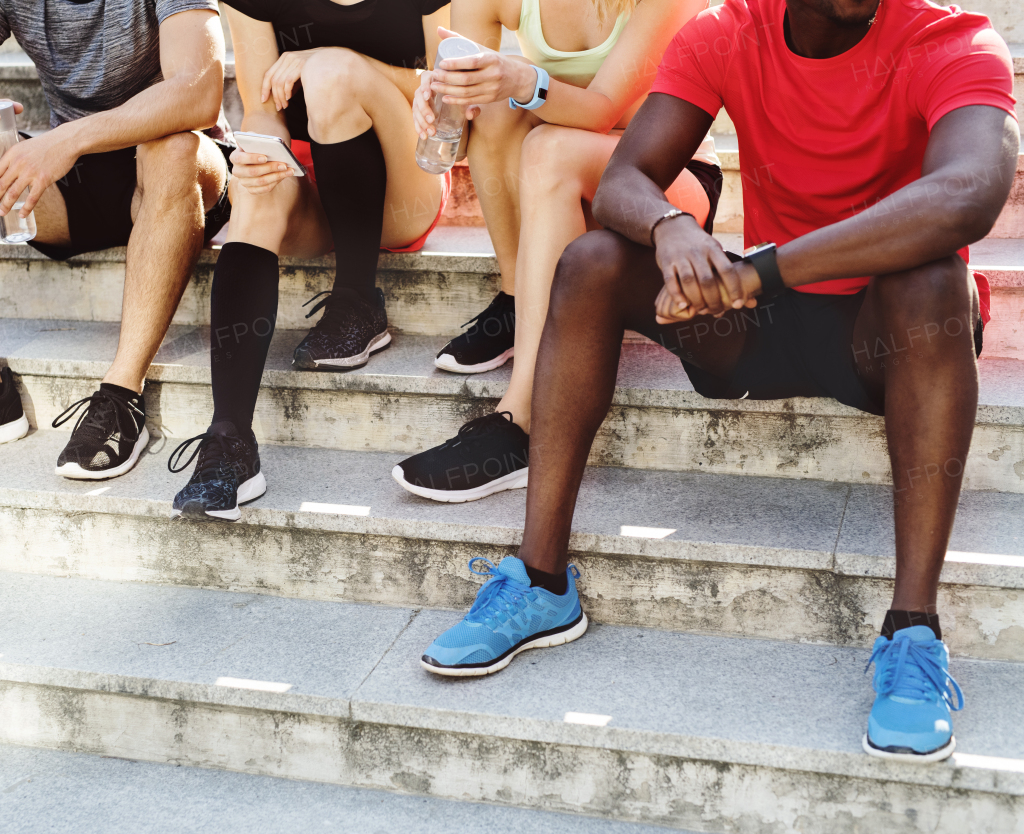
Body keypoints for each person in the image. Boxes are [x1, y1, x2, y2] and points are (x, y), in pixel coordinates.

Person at [421, 0, 1016, 765]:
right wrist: (672, 229)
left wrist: (763, 270)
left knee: (937, 284)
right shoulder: (730, 30)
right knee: (593, 262)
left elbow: (969, 191)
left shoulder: (951, 38)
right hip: (765, 315)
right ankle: (540, 579)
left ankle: (913, 632)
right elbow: (624, 180)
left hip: (885, 336)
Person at [0, 0, 234, 480]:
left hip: (172, 162)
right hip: (75, 183)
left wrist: (68, 141)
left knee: (172, 149)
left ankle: (122, 396)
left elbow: (199, 91)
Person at [393, 0, 719, 503]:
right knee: (498, 111)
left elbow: (604, 107)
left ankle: (523, 420)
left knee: (547, 145)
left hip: (661, 187)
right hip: (569, 185)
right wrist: (441, 107)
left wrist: (521, 80)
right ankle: (515, 295)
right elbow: (462, 136)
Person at [167, 0, 452, 520]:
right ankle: (229, 443)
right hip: (314, 181)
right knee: (254, 193)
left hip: (405, 184)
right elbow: (261, 106)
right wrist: (260, 153)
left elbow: (450, 88)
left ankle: (358, 299)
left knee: (331, 73)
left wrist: (337, 60)